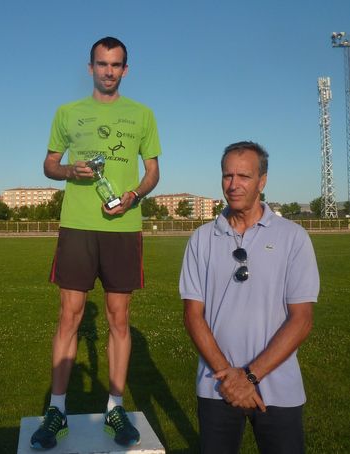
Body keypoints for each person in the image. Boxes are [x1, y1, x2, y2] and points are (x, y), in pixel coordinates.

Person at [30, 36, 161, 450]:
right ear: (90, 68)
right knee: (69, 316)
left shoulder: (143, 115)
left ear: (125, 70)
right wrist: (70, 171)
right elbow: (49, 165)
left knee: (118, 319)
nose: (108, 71)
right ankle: (56, 410)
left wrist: (134, 196)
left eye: (116, 65)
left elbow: (153, 172)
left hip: (123, 228)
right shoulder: (67, 113)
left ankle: (115, 407)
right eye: (102, 64)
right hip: (78, 226)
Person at [179, 141, 319, 454]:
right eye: (227, 175)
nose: (234, 184)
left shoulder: (293, 237)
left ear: (262, 181)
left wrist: (250, 376)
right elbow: (192, 315)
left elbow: (302, 319)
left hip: (278, 387)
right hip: (217, 386)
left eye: (244, 176)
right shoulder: (202, 238)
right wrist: (232, 380)